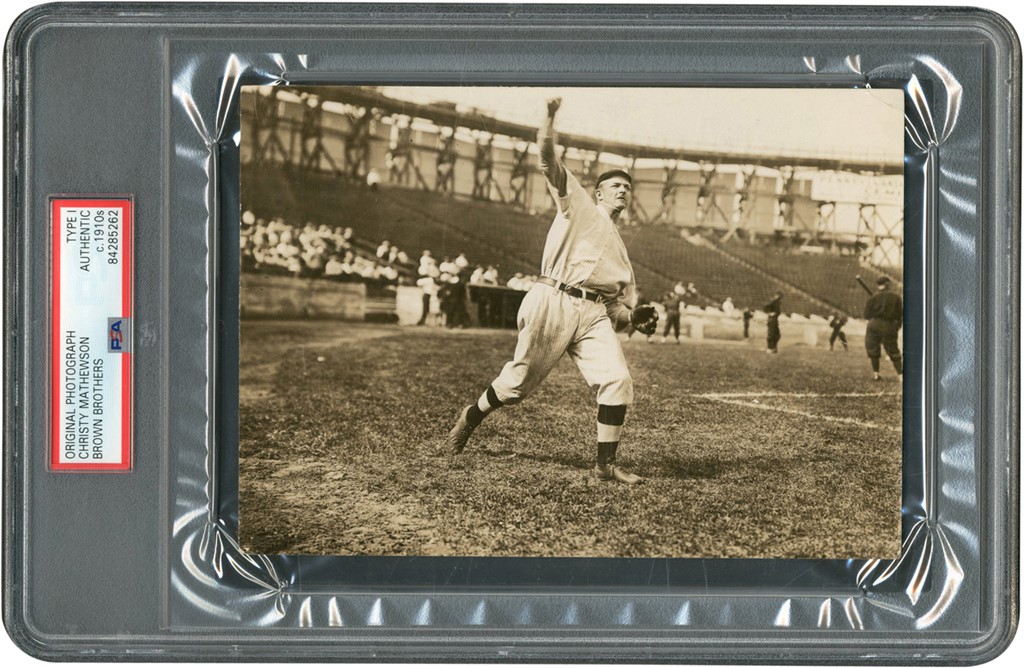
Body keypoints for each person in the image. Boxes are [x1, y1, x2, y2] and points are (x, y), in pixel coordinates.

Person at [445, 97, 658, 485]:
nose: (623, 191)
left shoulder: (623, 259)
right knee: (516, 386)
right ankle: (470, 417)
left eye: (627, 187)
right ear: (599, 193)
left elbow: (615, 310)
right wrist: (549, 116)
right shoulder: (577, 204)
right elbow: (546, 157)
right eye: (615, 186)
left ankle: (605, 467)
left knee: (617, 380)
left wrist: (635, 317)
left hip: (593, 315)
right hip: (553, 298)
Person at [864, 276, 903, 380]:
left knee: (873, 349)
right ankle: (901, 375)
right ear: (887, 284)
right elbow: (900, 315)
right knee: (893, 349)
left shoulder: (873, 298)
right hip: (888, 324)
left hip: (873, 324)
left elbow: (866, 315)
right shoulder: (896, 297)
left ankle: (876, 374)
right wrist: (896, 327)